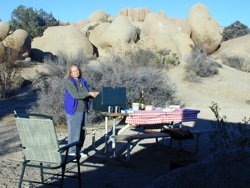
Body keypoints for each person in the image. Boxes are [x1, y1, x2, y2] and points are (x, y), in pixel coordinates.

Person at [64, 64, 99, 157]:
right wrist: (89, 93)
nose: (76, 72)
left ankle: (78, 150)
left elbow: (85, 94)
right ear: (70, 73)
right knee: (74, 132)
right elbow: (76, 95)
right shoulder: (69, 82)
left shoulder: (83, 81)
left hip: (84, 109)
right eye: (74, 71)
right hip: (75, 110)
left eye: (77, 70)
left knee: (82, 132)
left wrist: (93, 95)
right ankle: (72, 152)